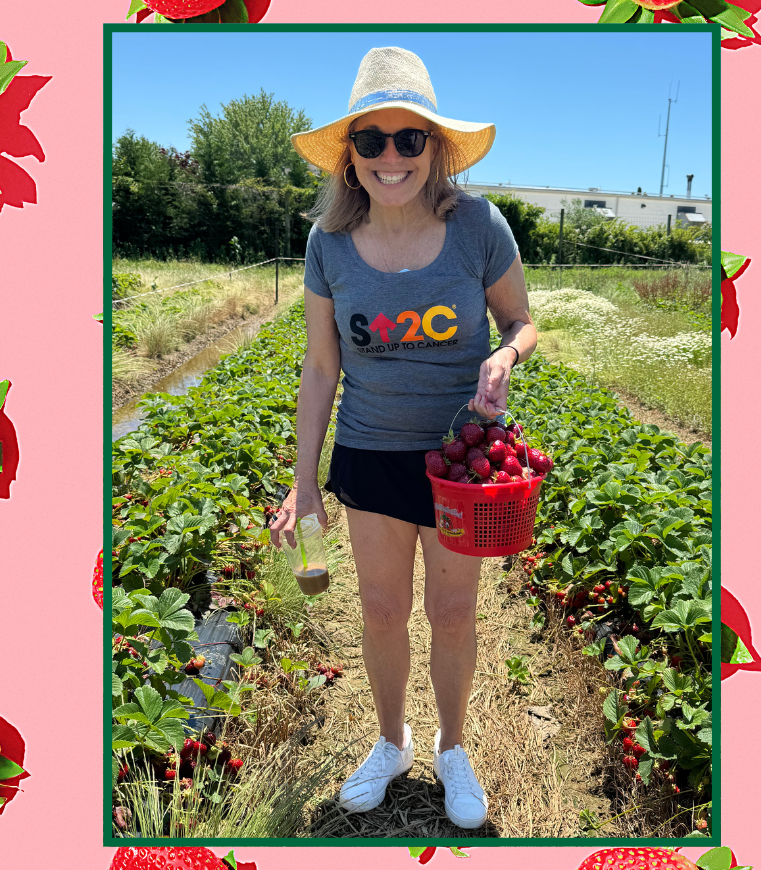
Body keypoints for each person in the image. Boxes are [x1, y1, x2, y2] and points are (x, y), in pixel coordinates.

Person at [271, 46, 536, 830]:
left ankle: (454, 751)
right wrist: (305, 480)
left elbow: (522, 320)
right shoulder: (328, 243)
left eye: (409, 139)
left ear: (435, 147)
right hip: (369, 454)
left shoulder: (477, 227)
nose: (391, 157)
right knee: (383, 607)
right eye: (372, 141)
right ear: (350, 155)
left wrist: (504, 351)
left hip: (460, 463)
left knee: (453, 613)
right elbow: (321, 371)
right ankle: (392, 742)